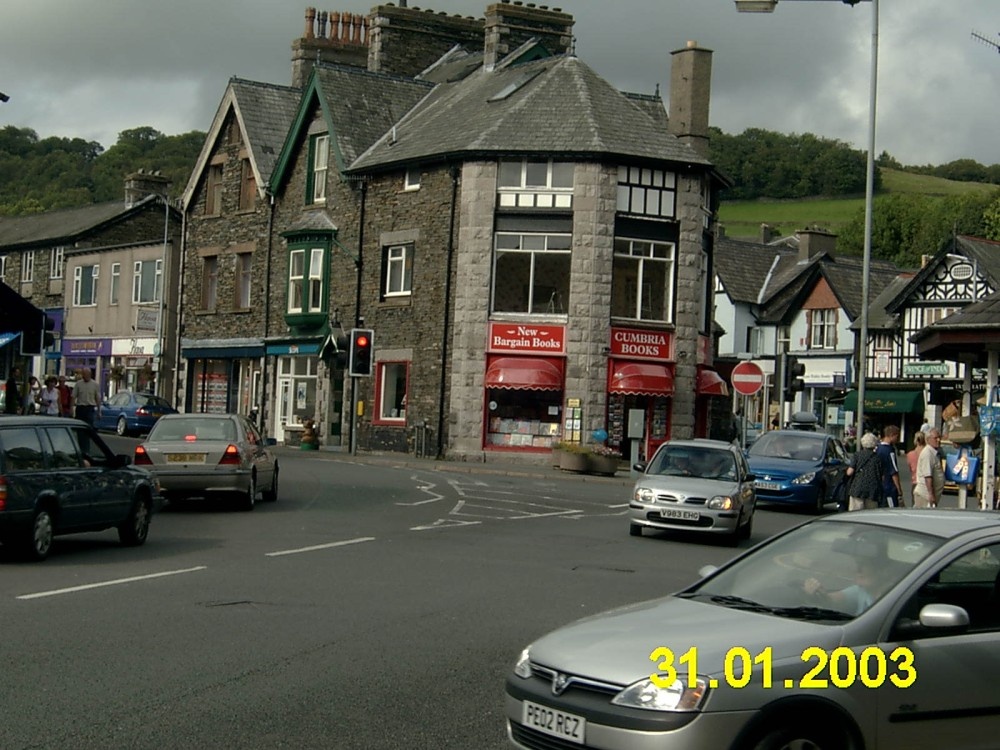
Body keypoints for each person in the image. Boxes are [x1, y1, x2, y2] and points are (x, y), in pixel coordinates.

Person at [804, 559, 884, 616]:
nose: (858, 569)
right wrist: (818, 592)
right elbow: (831, 599)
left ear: (880, 570)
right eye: (857, 564)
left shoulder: (890, 601)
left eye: (864, 564)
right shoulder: (862, 590)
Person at [845, 432, 882, 511]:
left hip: (857, 488)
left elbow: (850, 472)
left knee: (855, 514)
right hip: (872, 490)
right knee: (870, 515)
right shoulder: (877, 458)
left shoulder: (857, 455)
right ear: (874, 444)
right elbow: (881, 475)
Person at [914, 429, 945, 508]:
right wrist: (930, 495)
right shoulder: (927, 454)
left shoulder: (935, 453)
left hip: (930, 496)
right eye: (935, 438)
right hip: (925, 496)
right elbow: (928, 476)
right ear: (928, 440)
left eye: (939, 437)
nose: (938, 440)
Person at [876, 425, 903, 508]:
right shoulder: (889, 451)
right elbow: (894, 471)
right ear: (892, 435)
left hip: (879, 485)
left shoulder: (877, 448)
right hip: (889, 487)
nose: (897, 439)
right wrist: (899, 490)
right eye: (897, 436)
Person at [906, 432, 926, 504]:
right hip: (926, 483)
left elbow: (911, 469)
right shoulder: (928, 453)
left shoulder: (910, 454)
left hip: (915, 483)